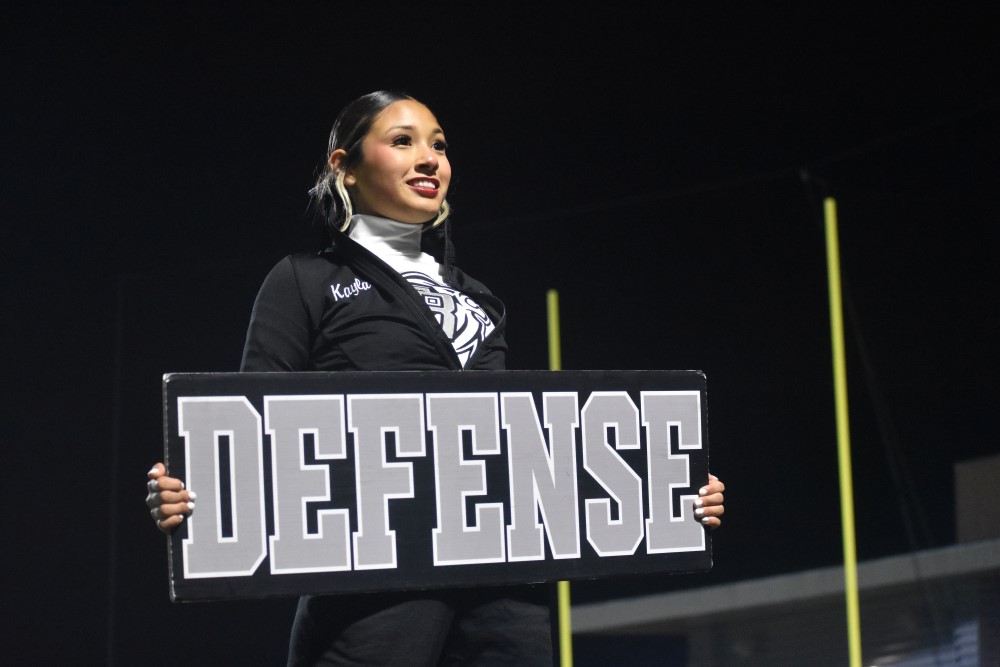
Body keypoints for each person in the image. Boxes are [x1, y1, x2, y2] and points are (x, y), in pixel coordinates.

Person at [145, 89, 727, 666]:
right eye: (403, 141)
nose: (430, 159)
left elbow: (520, 449)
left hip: (503, 596)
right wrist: (189, 495)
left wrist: (667, 488)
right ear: (345, 167)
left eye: (440, 146)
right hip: (373, 599)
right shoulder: (304, 280)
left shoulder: (481, 299)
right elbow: (248, 431)